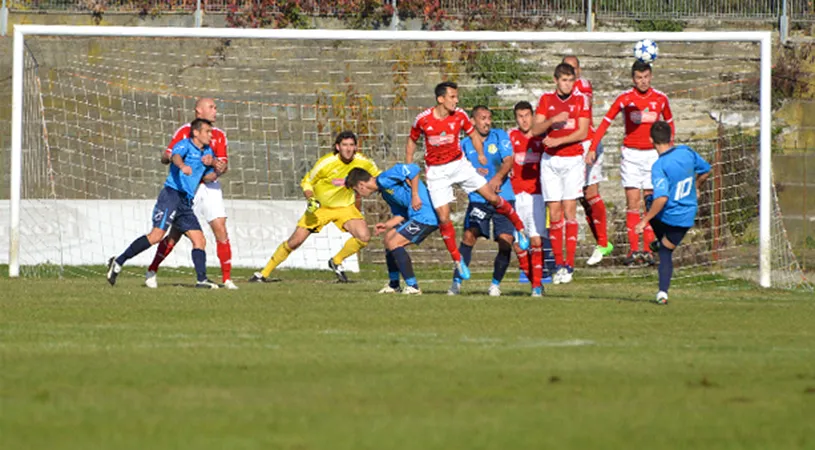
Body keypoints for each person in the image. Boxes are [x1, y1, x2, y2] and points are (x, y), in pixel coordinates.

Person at [406, 81, 530, 280]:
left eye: (457, 96)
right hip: (436, 171)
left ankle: (520, 229)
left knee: (492, 196)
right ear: (440, 99)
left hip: (458, 165)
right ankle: (458, 260)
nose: (456, 100)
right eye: (452, 97)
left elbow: (473, 135)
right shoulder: (423, 119)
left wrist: (480, 154)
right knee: (444, 218)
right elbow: (412, 140)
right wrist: (409, 164)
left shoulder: (460, 115)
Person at [249, 131, 379, 283]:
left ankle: (336, 261)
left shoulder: (363, 162)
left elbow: (379, 177)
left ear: (356, 147)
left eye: (351, 145)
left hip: (345, 207)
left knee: (364, 236)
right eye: (344, 145)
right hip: (320, 208)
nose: (348, 149)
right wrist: (311, 198)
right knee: (295, 241)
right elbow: (307, 181)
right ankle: (262, 274)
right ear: (337, 147)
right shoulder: (326, 163)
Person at [106, 118, 219, 289]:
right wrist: (182, 166)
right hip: (171, 195)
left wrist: (216, 166)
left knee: (200, 240)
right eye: (207, 132)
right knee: (156, 236)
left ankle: (201, 280)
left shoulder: (208, 152)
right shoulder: (185, 145)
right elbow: (175, 156)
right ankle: (119, 261)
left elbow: (209, 176)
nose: (211, 135)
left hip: (186, 201)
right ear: (196, 133)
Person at [145, 98, 237, 289]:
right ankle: (152, 270)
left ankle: (227, 279)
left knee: (220, 227)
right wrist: (173, 158)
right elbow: (167, 156)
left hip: (209, 186)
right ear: (198, 111)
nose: (215, 111)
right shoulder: (184, 131)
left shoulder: (219, 135)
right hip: (187, 187)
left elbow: (223, 166)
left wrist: (216, 166)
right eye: (211, 107)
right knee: (174, 235)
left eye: (215, 107)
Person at [589, 61, 674, 267]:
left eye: (646, 77)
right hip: (631, 155)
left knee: (650, 202)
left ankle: (649, 250)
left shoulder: (660, 98)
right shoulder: (625, 99)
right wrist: (592, 146)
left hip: (653, 155)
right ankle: (634, 250)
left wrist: (669, 150)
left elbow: (670, 125)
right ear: (633, 79)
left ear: (651, 76)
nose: (643, 81)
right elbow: (606, 121)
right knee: (633, 202)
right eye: (639, 77)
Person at [635, 121, 710, 304]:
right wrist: (697, 186)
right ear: (671, 137)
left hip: (669, 216)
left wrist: (644, 221)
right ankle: (662, 293)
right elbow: (706, 170)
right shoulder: (686, 151)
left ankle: (663, 290)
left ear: (651, 140)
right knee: (666, 249)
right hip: (687, 217)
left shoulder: (660, 165)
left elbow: (662, 198)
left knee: (649, 200)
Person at [530, 63, 591, 284]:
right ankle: (558, 265)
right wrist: (552, 121)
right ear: (556, 80)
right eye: (564, 80)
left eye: (571, 80)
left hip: (572, 160)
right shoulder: (546, 100)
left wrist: (559, 140)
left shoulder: (581, 100)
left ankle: (570, 265)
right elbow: (535, 130)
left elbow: (582, 132)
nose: (567, 85)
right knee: (554, 213)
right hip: (550, 162)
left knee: (569, 210)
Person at [447, 105, 516, 297]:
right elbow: (456, 169)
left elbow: (508, 160)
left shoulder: (499, 136)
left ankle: (495, 284)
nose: (487, 122)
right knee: (469, 235)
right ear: (472, 121)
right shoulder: (464, 144)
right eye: (483, 118)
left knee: (506, 240)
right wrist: (473, 173)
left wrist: (497, 178)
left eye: (489, 118)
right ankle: (456, 283)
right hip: (479, 198)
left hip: (504, 196)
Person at [345, 164, 438, 295]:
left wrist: (415, 195)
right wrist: (387, 225)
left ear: (361, 185)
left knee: (395, 243)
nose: (358, 194)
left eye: (356, 191)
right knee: (388, 239)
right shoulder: (385, 192)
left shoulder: (384, 178)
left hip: (426, 217)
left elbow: (414, 170)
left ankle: (413, 286)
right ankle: (394, 284)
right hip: (415, 217)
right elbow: (401, 214)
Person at [562, 56, 614, 266]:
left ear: (579, 71)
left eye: (573, 69)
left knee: (591, 193)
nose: (571, 73)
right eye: (566, 69)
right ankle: (603, 242)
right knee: (582, 198)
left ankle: (602, 243)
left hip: (587, 143)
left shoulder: (582, 86)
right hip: (572, 144)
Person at [509, 101, 554, 297]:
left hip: (536, 195)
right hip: (516, 196)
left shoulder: (541, 138)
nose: (524, 120)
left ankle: (536, 287)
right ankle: (535, 282)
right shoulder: (510, 137)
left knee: (536, 241)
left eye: (527, 115)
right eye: (520, 116)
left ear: (533, 117)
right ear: (516, 118)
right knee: (518, 245)